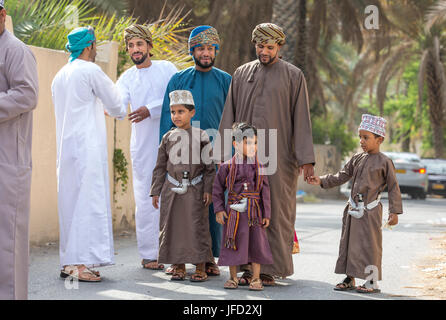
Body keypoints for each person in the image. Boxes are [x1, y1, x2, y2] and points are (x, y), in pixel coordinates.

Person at [218, 23, 315, 286]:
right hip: (243, 159)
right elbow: (229, 113)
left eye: (270, 47)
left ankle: (272, 268)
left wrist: (305, 160)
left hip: (279, 156)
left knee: (276, 211)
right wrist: (220, 154)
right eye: (260, 46)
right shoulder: (240, 73)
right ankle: (247, 268)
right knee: (244, 208)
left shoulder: (294, 76)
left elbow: (302, 120)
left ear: (279, 47)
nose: (264, 51)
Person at [51, 26, 127, 282]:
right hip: (87, 149)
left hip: (66, 151)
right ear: (89, 46)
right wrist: (115, 109)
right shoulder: (90, 70)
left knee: (70, 206)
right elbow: (116, 103)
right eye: (95, 45)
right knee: (86, 204)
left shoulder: (60, 75)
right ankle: (79, 266)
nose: (96, 50)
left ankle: (70, 263)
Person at [160, 25, 231, 277]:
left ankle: (209, 259)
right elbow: (166, 123)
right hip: (182, 158)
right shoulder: (178, 80)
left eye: (210, 48)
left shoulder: (226, 80)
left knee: (211, 206)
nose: (205, 52)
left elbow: (232, 118)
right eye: (200, 48)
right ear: (192, 50)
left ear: (216, 50)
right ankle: (178, 258)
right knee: (180, 209)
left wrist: (230, 155)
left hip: (215, 156)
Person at [308, 114, 403, 293]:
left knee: (370, 246)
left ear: (380, 139)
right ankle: (349, 277)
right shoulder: (357, 158)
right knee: (349, 243)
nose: (361, 141)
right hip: (352, 210)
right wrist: (320, 180)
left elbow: (393, 187)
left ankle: (372, 281)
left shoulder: (385, 162)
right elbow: (342, 176)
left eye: (366, 137)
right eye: (360, 137)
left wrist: (394, 212)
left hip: (370, 211)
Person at [117, 24, 177, 271]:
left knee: (176, 195)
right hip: (142, 147)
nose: (135, 49)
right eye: (131, 45)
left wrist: (149, 109)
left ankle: (176, 252)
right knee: (146, 198)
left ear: (150, 46)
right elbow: (118, 103)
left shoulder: (167, 69)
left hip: (173, 142)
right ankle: (150, 254)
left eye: (139, 44)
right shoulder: (127, 77)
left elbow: (177, 95)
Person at [151, 90, 215, 282]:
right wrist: (155, 191)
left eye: (181, 111)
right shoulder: (167, 137)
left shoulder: (201, 135)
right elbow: (160, 166)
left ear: (192, 112)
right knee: (173, 227)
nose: (176, 116)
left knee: (198, 228)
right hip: (172, 191)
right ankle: (178, 266)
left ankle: (201, 267)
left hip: (195, 190)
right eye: (173, 112)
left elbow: (210, 168)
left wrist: (208, 190)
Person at [0, 0, 39, 299]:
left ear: (2, 15)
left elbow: (27, 95)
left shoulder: (16, 50)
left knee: (7, 241)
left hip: (8, 160)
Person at [213, 123, 273, 291]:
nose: (252, 147)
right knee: (232, 243)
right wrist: (219, 209)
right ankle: (233, 277)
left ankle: (255, 278)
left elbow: (265, 191)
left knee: (256, 244)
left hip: (254, 213)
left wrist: (266, 214)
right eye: (247, 143)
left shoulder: (260, 167)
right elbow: (217, 189)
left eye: (254, 143)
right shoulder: (226, 166)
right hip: (234, 213)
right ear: (235, 144)